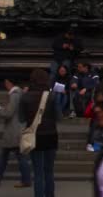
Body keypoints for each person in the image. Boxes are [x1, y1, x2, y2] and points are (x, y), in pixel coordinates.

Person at [19, 69, 62, 197]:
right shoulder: (52, 96)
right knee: (49, 171)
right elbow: (59, 117)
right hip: (51, 134)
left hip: (34, 135)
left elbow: (21, 118)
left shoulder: (25, 96)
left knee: (38, 172)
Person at [0, 79, 31, 188]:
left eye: (6, 83)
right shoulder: (20, 94)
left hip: (14, 130)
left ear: (10, 83)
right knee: (5, 155)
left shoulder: (15, 95)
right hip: (16, 129)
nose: (5, 85)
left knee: (19, 156)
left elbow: (9, 112)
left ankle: (26, 180)